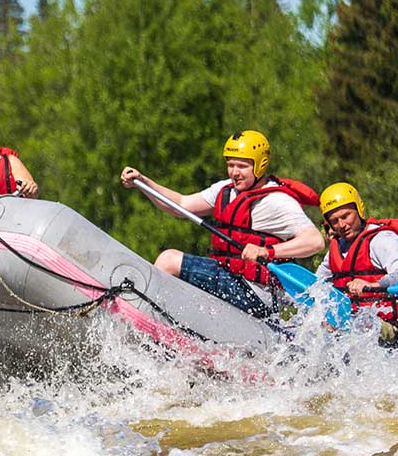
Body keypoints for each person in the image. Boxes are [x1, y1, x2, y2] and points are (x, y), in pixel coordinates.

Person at [118, 130, 323, 318]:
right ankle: (169, 320)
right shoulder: (225, 190)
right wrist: (143, 182)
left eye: (242, 166)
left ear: (260, 165)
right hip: (228, 276)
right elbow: (180, 204)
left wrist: (267, 251)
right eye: (230, 164)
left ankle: (144, 317)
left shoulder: (277, 201)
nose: (234, 172)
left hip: (257, 295)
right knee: (174, 264)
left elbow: (315, 241)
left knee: (168, 260)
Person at [315, 181, 398, 345]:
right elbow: (315, 285)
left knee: (358, 327)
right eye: (335, 221)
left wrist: (373, 284)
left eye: (346, 216)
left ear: (359, 210)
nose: (342, 225)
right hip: (355, 330)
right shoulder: (337, 249)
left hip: (395, 330)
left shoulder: (382, 239)